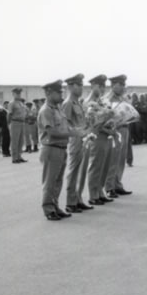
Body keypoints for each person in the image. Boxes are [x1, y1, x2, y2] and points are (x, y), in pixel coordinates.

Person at [38, 80, 72, 221]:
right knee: (50, 181)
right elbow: (52, 132)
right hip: (51, 148)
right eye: (58, 92)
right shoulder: (46, 110)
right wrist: (73, 134)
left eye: (61, 92)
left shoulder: (57, 109)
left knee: (57, 181)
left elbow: (64, 128)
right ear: (48, 93)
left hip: (61, 148)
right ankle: (48, 209)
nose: (60, 95)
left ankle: (55, 206)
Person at [84, 75, 116, 206]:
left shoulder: (102, 101)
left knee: (104, 165)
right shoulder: (88, 102)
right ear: (92, 86)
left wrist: (112, 124)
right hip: (96, 137)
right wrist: (107, 128)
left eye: (104, 86)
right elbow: (92, 123)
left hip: (105, 136)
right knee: (96, 166)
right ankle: (93, 194)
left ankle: (100, 191)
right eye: (99, 86)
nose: (102, 89)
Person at [62, 74, 92, 214]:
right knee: (74, 171)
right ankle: (70, 202)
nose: (81, 87)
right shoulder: (68, 103)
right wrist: (78, 132)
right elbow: (65, 124)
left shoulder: (78, 102)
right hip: (75, 140)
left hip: (83, 138)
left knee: (82, 170)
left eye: (81, 85)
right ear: (71, 86)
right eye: (79, 85)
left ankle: (78, 199)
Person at [104, 74, 133, 198]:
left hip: (125, 128)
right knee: (113, 159)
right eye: (120, 84)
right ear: (112, 85)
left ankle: (117, 184)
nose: (122, 87)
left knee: (121, 159)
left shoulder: (124, 97)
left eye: (123, 85)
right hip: (115, 130)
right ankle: (109, 187)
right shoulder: (107, 98)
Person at [7, 89, 28, 163]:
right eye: (17, 93)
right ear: (13, 94)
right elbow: (9, 114)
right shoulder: (11, 103)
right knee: (15, 141)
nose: (19, 95)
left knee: (21, 141)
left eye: (19, 93)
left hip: (22, 122)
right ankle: (14, 157)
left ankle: (19, 156)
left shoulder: (21, 103)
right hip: (15, 122)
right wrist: (9, 124)